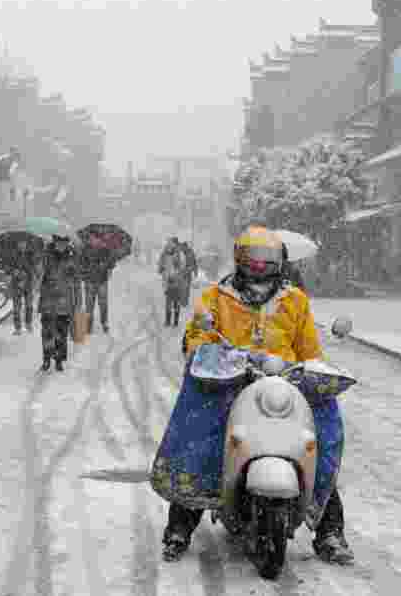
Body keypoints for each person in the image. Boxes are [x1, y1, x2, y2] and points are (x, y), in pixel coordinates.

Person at [161, 225, 354, 566]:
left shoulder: (295, 300)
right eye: (254, 260)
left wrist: (311, 369)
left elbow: (309, 349)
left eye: (268, 261)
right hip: (231, 380)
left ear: (279, 262)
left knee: (319, 436)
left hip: (284, 382)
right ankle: (180, 526)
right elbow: (197, 337)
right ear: (239, 259)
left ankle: (329, 531)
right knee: (200, 434)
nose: (261, 268)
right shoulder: (216, 298)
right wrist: (208, 353)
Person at [39, 235, 78, 371]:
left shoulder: (72, 257)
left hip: (64, 301)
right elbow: (40, 273)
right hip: (48, 300)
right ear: (55, 243)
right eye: (59, 243)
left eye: (64, 243)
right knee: (47, 332)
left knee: (61, 333)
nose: (61, 246)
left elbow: (76, 278)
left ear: (67, 244)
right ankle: (46, 358)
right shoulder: (46, 256)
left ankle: (59, 360)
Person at [83, 246, 114, 334]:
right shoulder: (86, 248)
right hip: (90, 280)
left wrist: (108, 267)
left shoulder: (105, 248)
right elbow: (81, 262)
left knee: (102, 303)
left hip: (101, 280)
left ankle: (104, 323)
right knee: (89, 304)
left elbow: (111, 261)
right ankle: (89, 324)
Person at [9, 241, 36, 335]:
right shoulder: (12, 255)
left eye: (24, 244)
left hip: (28, 284)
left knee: (29, 306)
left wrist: (27, 271)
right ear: (17, 245)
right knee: (16, 308)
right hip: (16, 285)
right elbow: (8, 268)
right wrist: (13, 271)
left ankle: (28, 324)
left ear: (26, 245)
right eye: (20, 243)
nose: (22, 245)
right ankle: (17, 328)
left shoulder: (30, 255)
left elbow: (34, 268)